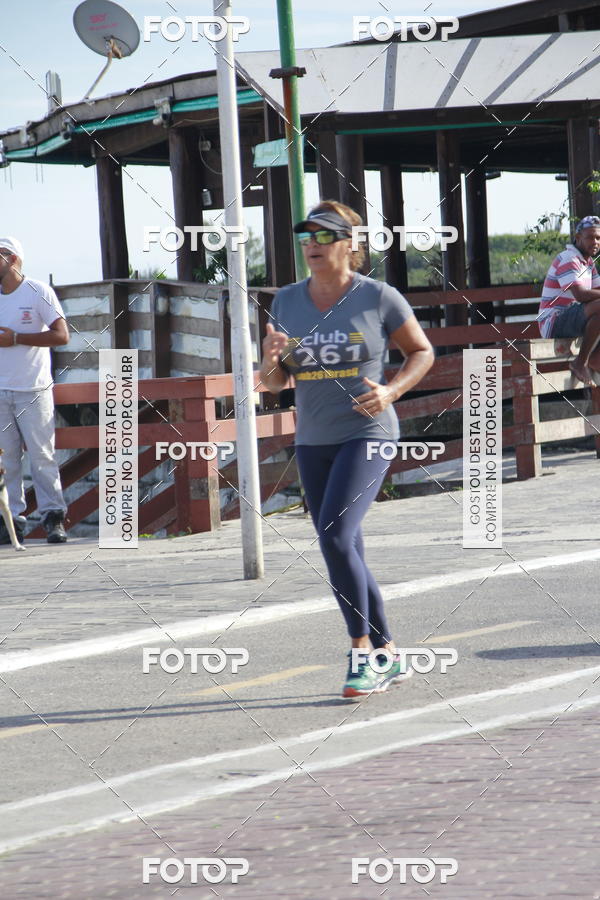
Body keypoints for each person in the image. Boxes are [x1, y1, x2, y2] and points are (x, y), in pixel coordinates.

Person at [260, 201, 434, 699]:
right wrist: (270, 361)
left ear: (350, 245)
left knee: (335, 539)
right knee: (345, 546)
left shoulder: (378, 297)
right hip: (313, 439)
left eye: (323, 236)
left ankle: (363, 655)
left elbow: (421, 351)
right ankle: (389, 652)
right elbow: (274, 385)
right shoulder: (286, 301)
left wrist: (392, 391)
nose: (312, 244)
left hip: (369, 433)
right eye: (306, 236)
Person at [0, 237, 70, 544]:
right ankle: (12, 523)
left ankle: (54, 518)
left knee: (42, 457)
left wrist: (17, 339)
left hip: (34, 389)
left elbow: (62, 335)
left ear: (11, 259)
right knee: (7, 461)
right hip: (0, 392)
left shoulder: (38, 291)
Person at [538, 215, 600, 385]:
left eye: (598, 238)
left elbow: (596, 291)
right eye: (590, 237)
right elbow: (580, 295)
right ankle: (581, 363)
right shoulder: (568, 258)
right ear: (578, 237)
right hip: (553, 321)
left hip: (572, 316)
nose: (595, 242)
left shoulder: (588, 264)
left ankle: (593, 358)